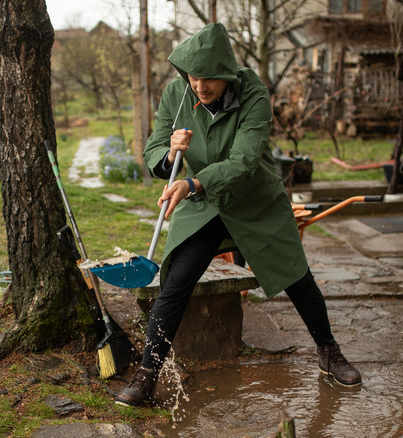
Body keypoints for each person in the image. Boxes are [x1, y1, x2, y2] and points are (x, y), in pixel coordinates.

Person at [115, 23, 361, 407]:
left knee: (295, 275)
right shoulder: (176, 95)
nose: (200, 86)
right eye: (194, 77)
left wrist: (193, 184)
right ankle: (148, 373)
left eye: (209, 78)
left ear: (227, 73)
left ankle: (329, 353)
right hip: (201, 207)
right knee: (175, 283)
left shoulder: (254, 93)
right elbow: (154, 153)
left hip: (253, 198)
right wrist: (168, 154)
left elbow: (244, 161)